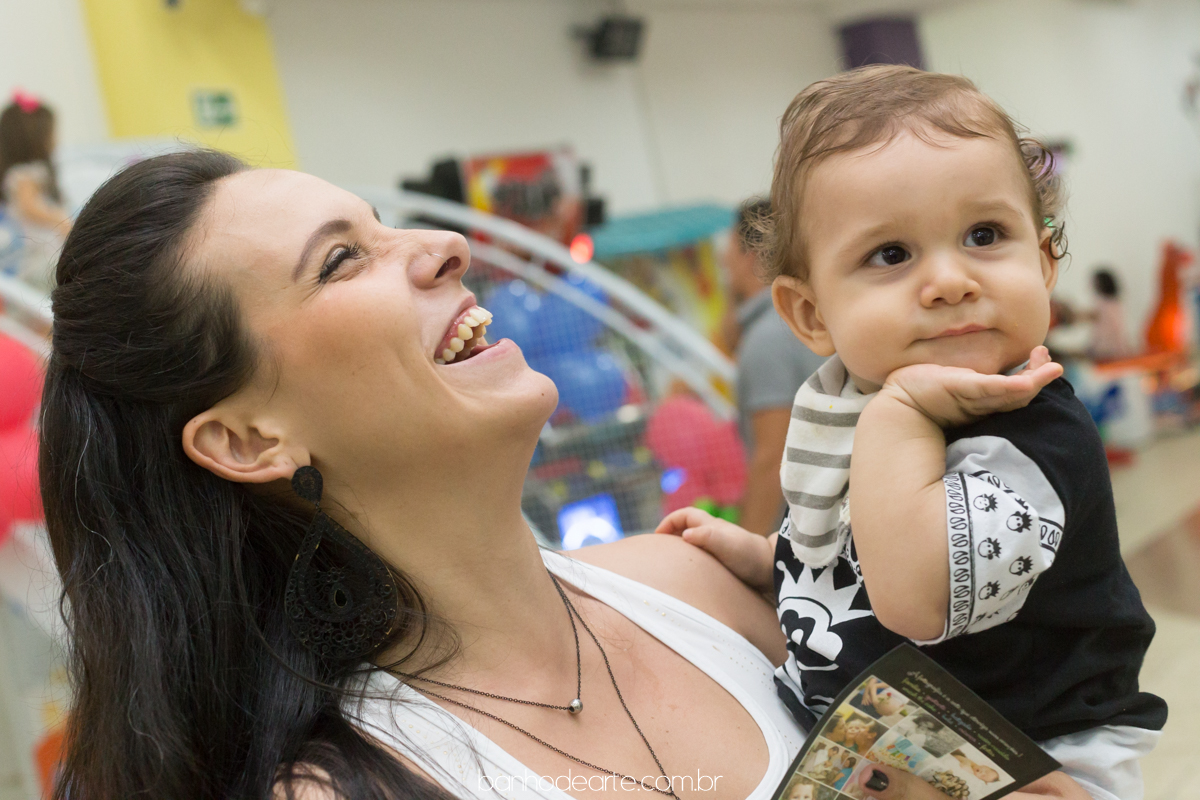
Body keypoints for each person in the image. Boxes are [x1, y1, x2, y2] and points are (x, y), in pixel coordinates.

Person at [39, 149, 814, 800]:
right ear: (246, 440)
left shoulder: (701, 583)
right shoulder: (345, 787)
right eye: (341, 260)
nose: (447, 243)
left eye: (384, 225)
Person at [656, 65, 1165, 800]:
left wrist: (902, 416)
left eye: (984, 234)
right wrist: (778, 559)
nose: (950, 280)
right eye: (892, 255)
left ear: (1045, 261)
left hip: (1032, 761)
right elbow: (861, 553)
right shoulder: (844, 402)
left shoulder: (1029, 430)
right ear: (811, 315)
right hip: (894, 746)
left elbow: (915, 594)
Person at [723, 198, 824, 534]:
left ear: (750, 254)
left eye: (730, 253)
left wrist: (747, 545)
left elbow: (772, 457)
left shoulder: (767, 339)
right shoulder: (810, 317)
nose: (725, 264)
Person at [0, 91, 71, 289]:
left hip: (37, 248)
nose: (55, 140)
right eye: (51, 134)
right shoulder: (28, 174)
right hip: (39, 250)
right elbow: (27, 206)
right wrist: (59, 220)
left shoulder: (21, 173)